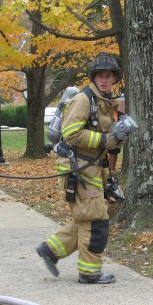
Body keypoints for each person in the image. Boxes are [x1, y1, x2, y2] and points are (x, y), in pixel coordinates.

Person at [36, 52, 134, 284]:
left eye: (108, 76)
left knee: (87, 216)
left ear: (113, 79)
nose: (104, 79)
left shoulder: (108, 102)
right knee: (96, 218)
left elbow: (105, 137)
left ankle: (50, 250)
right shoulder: (83, 100)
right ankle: (89, 273)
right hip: (77, 168)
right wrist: (105, 140)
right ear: (94, 77)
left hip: (92, 168)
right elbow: (71, 134)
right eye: (100, 75)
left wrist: (117, 137)